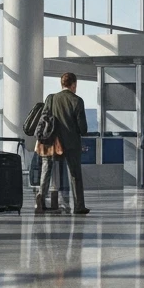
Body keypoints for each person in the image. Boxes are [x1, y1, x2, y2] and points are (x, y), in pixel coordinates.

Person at [39, 72, 90, 214]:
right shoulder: (77, 101)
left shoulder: (51, 98)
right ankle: (79, 206)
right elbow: (83, 128)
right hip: (71, 143)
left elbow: (45, 118)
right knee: (75, 174)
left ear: (61, 84)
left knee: (46, 170)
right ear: (74, 84)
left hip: (52, 141)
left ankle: (40, 200)